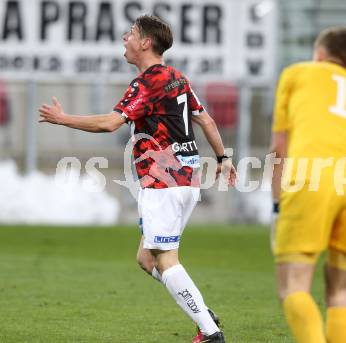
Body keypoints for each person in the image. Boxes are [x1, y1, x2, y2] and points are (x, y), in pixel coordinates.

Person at [39, 14, 236, 343]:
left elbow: (110, 123)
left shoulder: (148, 83)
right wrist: (223, 159)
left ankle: (210, 331)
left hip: (164, 182)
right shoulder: (177, 78)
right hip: (185, 180)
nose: (125, 39)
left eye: (130, 34)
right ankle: (200, 310)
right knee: (146, 259)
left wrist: (63, 119)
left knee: (166, 259)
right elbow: (207, 121)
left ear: (145, 42)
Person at [270, 27, 346, 343]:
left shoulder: (296, 74)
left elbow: (279, 149)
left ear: (320, 55)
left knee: (293, 287)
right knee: (341, 293)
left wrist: (277, 206)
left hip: (312, 177)